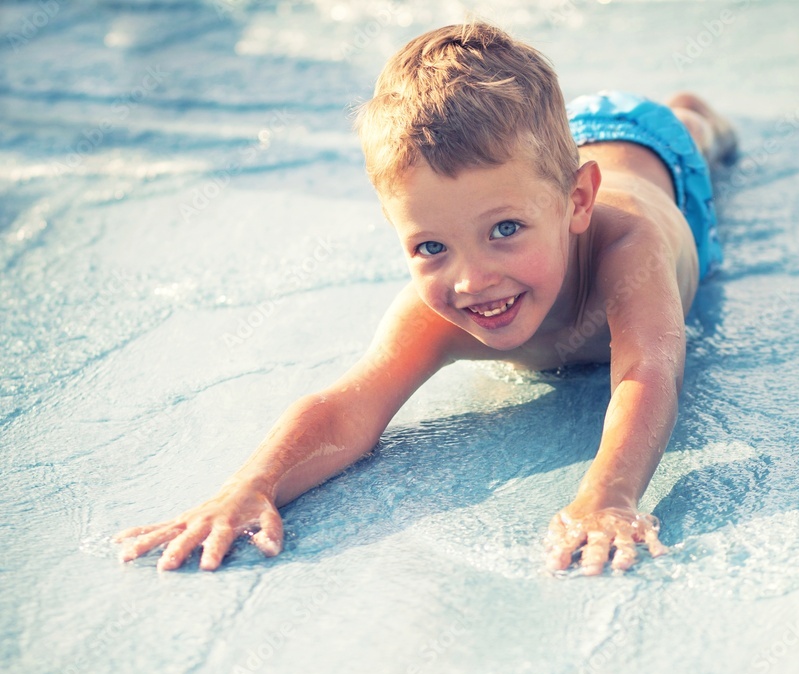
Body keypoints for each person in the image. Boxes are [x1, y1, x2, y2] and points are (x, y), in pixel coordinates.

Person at [114, 21, 737, 576]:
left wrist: (607, 497)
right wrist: (251, 486)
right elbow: (345, 408)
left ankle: (692, 115)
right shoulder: (449, 304)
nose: (473, 281)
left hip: (650, 151)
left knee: (689, 132)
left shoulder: (627, 250)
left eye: (505, 231)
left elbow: (646, 372)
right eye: (431, 247)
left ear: (576, 204)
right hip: (550, 151)